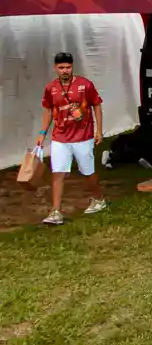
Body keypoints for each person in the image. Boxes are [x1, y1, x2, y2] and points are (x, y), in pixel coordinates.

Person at [34, 52, 106, 225]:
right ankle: (55, 211)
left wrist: (99, 131)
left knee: (87, 171)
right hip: (60, 137)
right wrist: (42, 133)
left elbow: (97, 105)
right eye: (61, 67)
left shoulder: (85, 84)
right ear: (55, 68)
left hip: (83, 136)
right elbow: (48, 111)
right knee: (58, 172)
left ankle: (98, 199)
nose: (65, 70)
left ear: (72, 66)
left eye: (68, 67)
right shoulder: (51, 88)